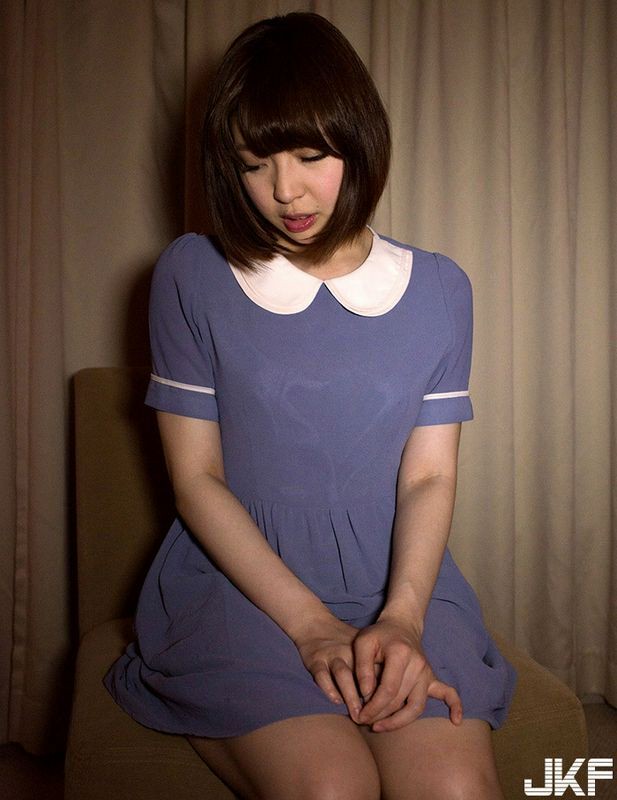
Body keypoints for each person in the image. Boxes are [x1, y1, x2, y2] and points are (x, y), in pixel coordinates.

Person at [105, 12, 516, 800]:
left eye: (310, 155)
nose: (284, 191)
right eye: (253, 164)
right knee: (331, 788)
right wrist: (310, 626)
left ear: (358, 142)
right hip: (239, 582)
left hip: (396, 581)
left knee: (455, 790)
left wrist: (401, 620)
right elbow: (196, 480)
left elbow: (428, 477)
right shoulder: (192, 274)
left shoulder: (439, 288)